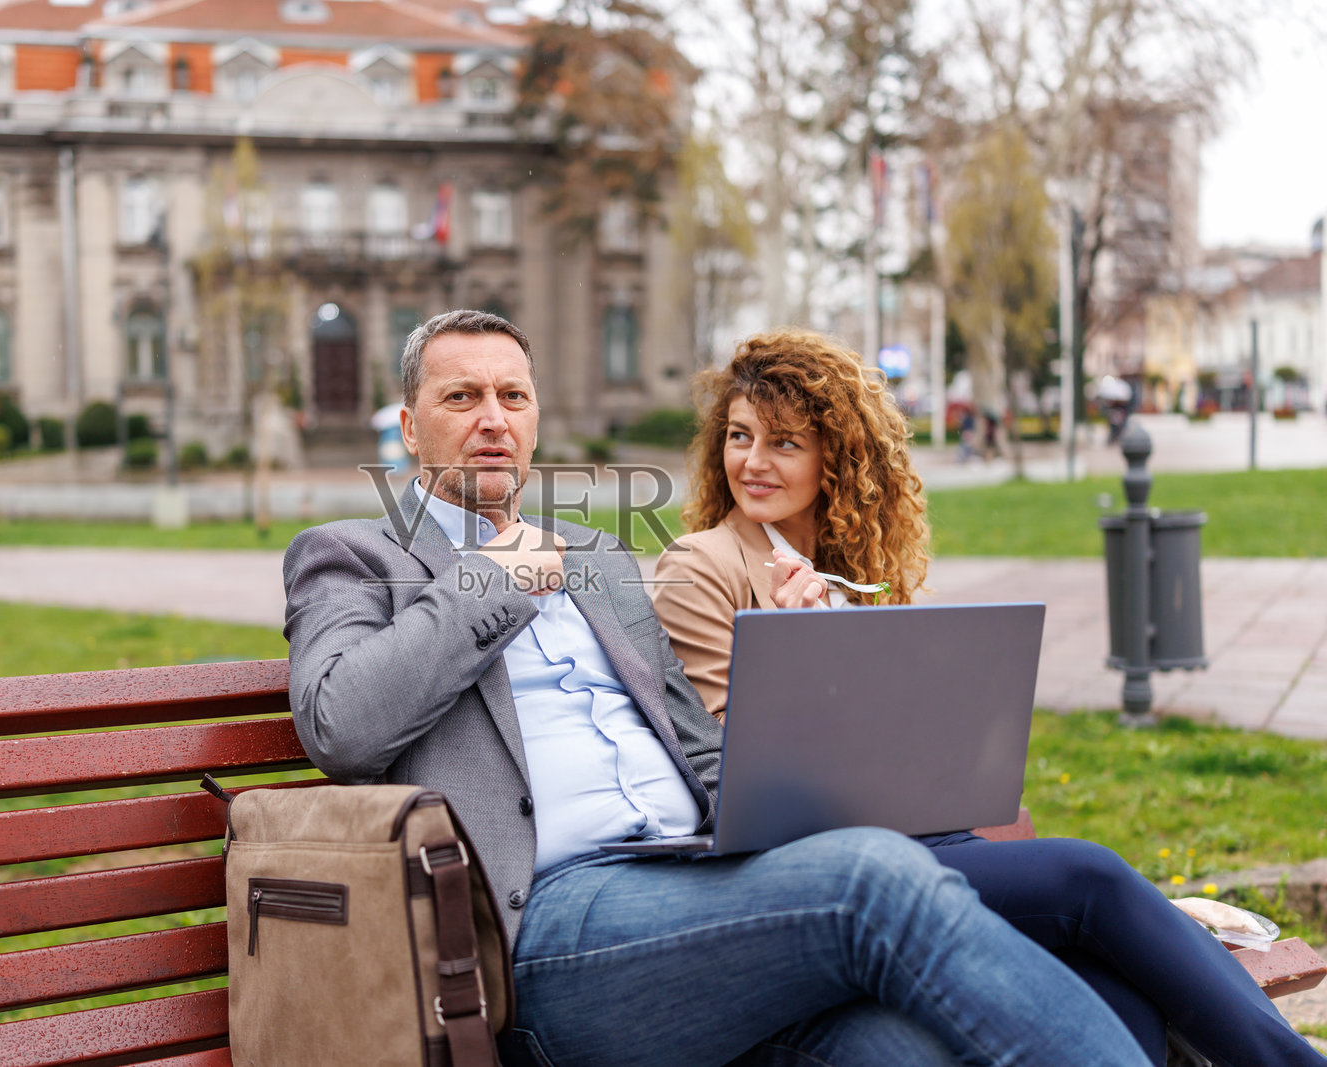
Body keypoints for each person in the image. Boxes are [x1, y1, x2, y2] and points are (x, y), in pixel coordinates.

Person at [284, 310, 1153, 1067]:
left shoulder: (594, 556)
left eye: (513, 397)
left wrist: (794, 660)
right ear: (407, 425)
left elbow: (699, 742)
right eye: (461, 397)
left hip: (696, 882)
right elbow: (343, 725)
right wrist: (494, 577)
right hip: (548, 934)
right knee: (873, 880)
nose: (492, 419)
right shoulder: (355, 557)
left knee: (912, 1050)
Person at [651, 327, 1320, 1067]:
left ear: (834, 458)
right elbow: (732, 771)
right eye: (740, 436)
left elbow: (888, 738)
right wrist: (791, 655)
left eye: (783, 442)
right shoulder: (704, 566)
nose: (753, 460)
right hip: (842, 865)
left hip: (923, 831)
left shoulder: (840, 573)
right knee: (1088, 877)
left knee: (1111, 984)